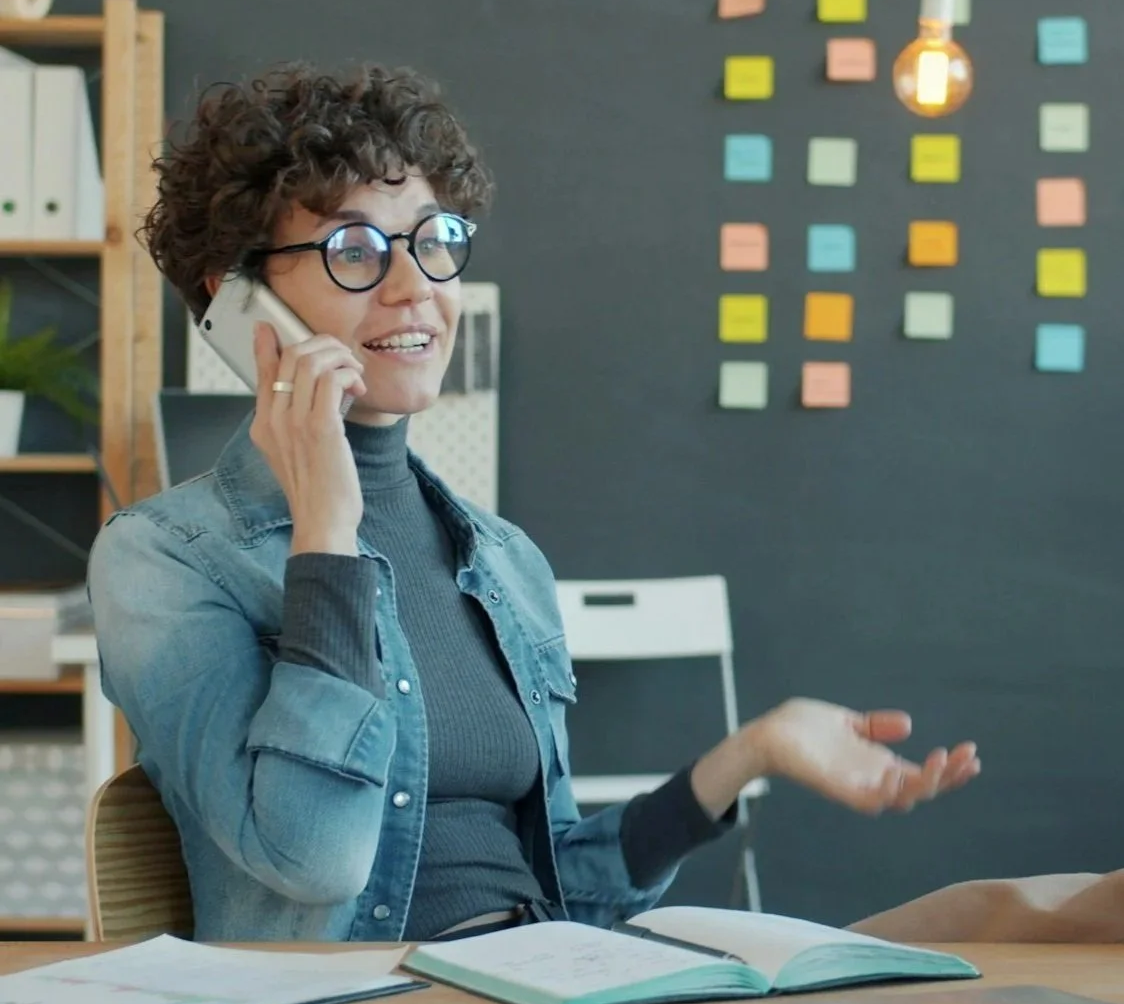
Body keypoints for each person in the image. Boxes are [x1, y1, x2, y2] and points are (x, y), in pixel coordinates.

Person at [88, 64, 981, 943]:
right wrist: (327, 535)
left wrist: (750, 755)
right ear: (237, 298)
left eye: (433, 238)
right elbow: (315, 857)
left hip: (534, 991)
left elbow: (559, 884)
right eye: (353, 250)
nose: (416, 288)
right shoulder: (162, 560)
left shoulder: (502, 559)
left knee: (964, 942)